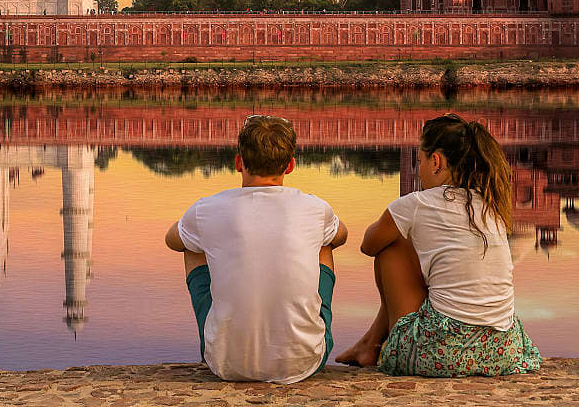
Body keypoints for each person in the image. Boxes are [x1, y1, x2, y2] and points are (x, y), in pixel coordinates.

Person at [335, 113, 541, 377]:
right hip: (501, 351)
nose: (417, 169)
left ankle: (370, 344)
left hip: (442, 355)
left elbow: (369, 245)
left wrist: (402, 228)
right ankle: (368, 344)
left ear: (436, 162)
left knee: (392, 247)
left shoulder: (417, 203)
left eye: (418, 160)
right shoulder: (492, 204)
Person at [165, 115, 348, 383]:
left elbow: (173, 240)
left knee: (192, 243)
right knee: (324, 243)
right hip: (304, 361)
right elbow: (341, 235)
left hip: (226, 362)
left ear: (238, 162)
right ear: (290, 166)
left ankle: (226, 334)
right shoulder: (314, 207)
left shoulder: (207, 208)